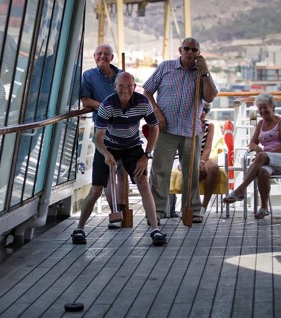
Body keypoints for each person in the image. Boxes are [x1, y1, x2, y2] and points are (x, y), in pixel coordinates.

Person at [72, 72, 166, 246]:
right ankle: (79, 228)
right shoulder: (107, 105)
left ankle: (155, 230)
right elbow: (98, 138)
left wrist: (146, 155)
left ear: (134, 86)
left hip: (132, 146)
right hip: (108, 146)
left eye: (129, 86)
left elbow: (154, 127)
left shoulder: (143, 102)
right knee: (96, 190)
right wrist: (107, 154)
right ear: (115, 87)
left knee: (143, 182)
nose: (125, 90)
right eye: (121, 86)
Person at [143, 37, 218, 223]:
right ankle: (157, 211)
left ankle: (192, 209)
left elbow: (210, 96)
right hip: (166, 129)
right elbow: (147, 91)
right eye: (187, 49)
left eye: (194, 50)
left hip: (191, 129)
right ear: (180, 50)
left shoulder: (201, 73)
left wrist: (205, 71)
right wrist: (157, 113)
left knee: (191, 173)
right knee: (160, 172)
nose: (190, 53)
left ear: (198, 53)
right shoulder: (166, 67)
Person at [223, 92, 281, 219]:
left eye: (265, 107)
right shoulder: (260, 124)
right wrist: (257, 148)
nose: (262, 110)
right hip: (269, 159)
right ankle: (264, 208)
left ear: (272, 107)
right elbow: (252, 143)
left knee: (261, 157)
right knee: (262, 172)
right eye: (260, 108)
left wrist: (265, 155)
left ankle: (240, 189)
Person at [81, 44, 127, 229]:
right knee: (109, 172)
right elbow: (85, 100)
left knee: (122, 173)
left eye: (106, 54)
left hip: (124, 129)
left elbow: (128, 95)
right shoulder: (88, 76)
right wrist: (106, 107)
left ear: (112, 57)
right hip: (104, 130)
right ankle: (114, 212)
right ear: (94, 56)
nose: (102, 57)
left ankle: (122, 211)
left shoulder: (121, 75)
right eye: (99, 54)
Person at [199, 102, 221, 215]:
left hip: (203, 156)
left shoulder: (209, 126)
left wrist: (201, 163)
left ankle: (203, 207)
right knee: (191, 168)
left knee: (213, 168)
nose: (203, 112)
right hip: (186, 155)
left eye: (206, 110)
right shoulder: (188, 124)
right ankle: (191, 207)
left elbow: (207, 148)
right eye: (201, 109)